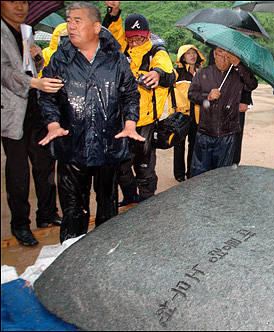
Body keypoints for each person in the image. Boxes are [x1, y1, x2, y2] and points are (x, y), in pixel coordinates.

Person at [38, 2, 143, 243]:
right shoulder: (59, 58)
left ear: (96, 27)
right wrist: (53, 123)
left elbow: (130, 93)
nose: (70, 26)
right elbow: (47, 96)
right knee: (73, 210)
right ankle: (71, 254)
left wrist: (130, 123)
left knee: (107, 205)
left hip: (109, 145)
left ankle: (104, 254)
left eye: (77, 21)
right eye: (68, 20)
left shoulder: (116, 58)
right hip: (71, 146)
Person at [1, 1, 63, 246]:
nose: (20, 6)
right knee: (18, 172)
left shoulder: (26, 32)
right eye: (12, 0)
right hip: (12, 112)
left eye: (24, 1)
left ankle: (47, 214)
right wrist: (33, 83)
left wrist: (36, 60)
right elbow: (5, 72)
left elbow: (28, 69)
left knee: (45, 163)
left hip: (34, 109)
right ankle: (20, 224)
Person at [104, 1, 175, 205]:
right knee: (120, 165)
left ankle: (146, 204)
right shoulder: (121, 49)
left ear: (148, 34)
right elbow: (111, 29)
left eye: (140, 38)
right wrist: (114, 11)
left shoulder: (157, 52)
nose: (135, 42)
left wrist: (157, 74)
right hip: (122, 119)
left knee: (144, 167)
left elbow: (168, 72)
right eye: (131, 38)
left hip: (145, 122)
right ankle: (129, 197)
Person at [188, 46, 258, 177]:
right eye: (220, 55)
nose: (223, 60)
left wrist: (238, 65)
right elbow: (191, 94)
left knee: (222, 175)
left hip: (228, 133)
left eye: (227, 57)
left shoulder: (238, 75)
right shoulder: (203, 73)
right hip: (205, 132)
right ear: (214, 54)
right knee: (199, 173)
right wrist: (207, 96)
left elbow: (252, 84)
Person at [209, 49, 254, 167]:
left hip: (236, 102)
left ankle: (234, 163)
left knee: (236, 135)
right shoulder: (215, 50)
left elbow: (250, 82)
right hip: (218, 101)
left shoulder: (243, 53)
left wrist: (245, 100)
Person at [169, 44, 206, 182]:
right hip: (180, 115)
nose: (192, 55)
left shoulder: (202, 72)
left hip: (197, 115)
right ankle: (178, 175)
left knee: (194, 145)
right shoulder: (176, 73)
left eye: (194, 52)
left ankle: (191, 172)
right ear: (182, 57)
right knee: (179, 146)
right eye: (188, 53)